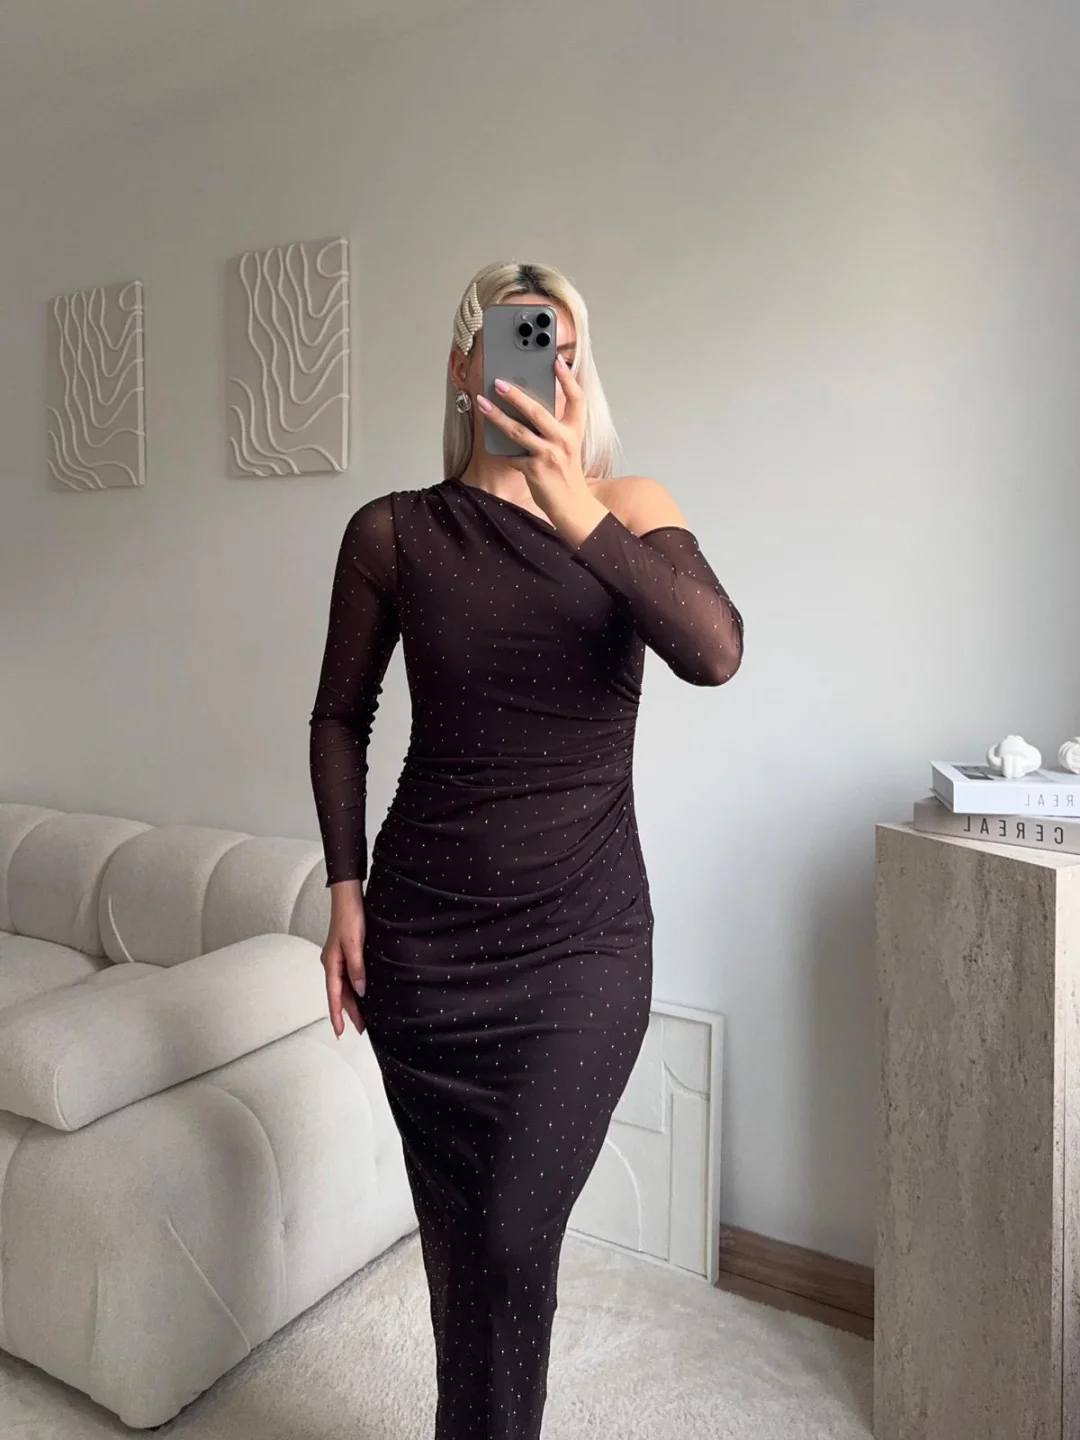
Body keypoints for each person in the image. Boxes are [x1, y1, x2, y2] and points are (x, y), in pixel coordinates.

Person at [308, 260, 744, 1440]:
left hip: (580, 949)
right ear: (464, 367)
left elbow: (713, 651)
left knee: (510, 1239)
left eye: (562, 348)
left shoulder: (629, 508)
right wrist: (345, 892)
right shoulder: (392, 533)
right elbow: (341, 716)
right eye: (514, 343)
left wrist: (572, 501)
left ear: (579, 371)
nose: (540, 368)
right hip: (422, 949)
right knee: (463, 1251)